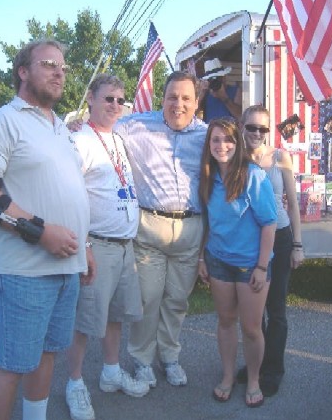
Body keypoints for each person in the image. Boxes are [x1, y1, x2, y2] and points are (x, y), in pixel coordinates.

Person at [0, 40, 94, 420]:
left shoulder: (60, 129)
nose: (59, 72)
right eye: (49, 64)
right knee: (10, 365)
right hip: (23, 271)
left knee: (47, 354)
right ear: (22, 71)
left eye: (63, 67)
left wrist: (84, 245)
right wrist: (40, 232)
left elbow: (67, 192)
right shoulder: (4, 121)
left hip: (66, 268)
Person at [114, 71, 207, 388]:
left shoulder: (209, 136)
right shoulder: (135, 127)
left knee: (177, 302)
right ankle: (141, 360)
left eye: (185, 98)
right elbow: (99, 132)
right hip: (149, 230)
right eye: (172, 97)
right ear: (162, 99)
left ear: (196, 102)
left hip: (190, 230)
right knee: (147, 300)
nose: (178, 104)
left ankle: (169, 357)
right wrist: (76, 127)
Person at [65, 74, 149, 420]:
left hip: (125, 246)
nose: (115, 105)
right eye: (108, 98)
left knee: (116, 315)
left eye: (120, 99)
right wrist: (82, 244)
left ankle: (111, 372)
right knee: (86, 321)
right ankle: (73, 383)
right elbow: (69, 197)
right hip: (96, 245)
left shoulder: (117, 139)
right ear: (91, 98)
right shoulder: (79, 141)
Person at [198, 119, 277, 408]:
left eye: (228, 140)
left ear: (238, 142)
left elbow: (269, 223)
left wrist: (261, 267)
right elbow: (210, 221)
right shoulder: (207, 176)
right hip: (218, 261)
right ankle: (229, 376)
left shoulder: (253, 175)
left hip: (249, 266)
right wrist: (201, 256)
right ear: (209, 144)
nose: (222, 146)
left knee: (251, 327)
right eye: (215, 140)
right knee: (226, 321)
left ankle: (253, 379)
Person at [237, 105, 304, 396]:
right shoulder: (234, 158)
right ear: (242, 127)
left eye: (262, 128)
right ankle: (256, 364)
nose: (256, 133)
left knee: (275, 309)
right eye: (250, 127)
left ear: (268, 130)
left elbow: (292, 202)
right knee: (254, 310)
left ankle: (273, 370)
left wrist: (298, 245)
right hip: (249, 242)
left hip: (280, 236)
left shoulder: (280, 158)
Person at [197, 58, 242, 122]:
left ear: (224, 77)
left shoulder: (236, 90)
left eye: (218, 78)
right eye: (212, 80)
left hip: (229, 130)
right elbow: (193, 113)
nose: (216, 82)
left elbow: (239, 115)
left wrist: (224, 98)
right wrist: (202, 93)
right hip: (210, 130)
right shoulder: (206, 93)